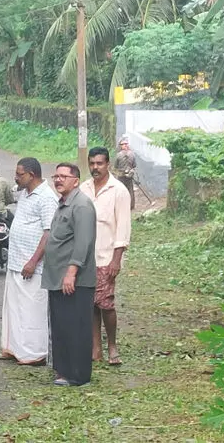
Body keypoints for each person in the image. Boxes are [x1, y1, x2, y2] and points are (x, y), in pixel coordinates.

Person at [0, 157, 58, 366]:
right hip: (16, 261)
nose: (16, 177)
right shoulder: (24, 194)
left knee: (32, 310)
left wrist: (33, 261)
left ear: (31, 175)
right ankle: (14, 348)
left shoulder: (47, 197)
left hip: (33, 265)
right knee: (15, 308)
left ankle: (35, 352)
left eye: (19, 174)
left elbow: (49, 232)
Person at [42, 163, 97, 386]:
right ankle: (63, 370)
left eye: (64, 176)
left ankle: (78, 374)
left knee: (77, 327)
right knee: (62, 325)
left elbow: (83, 242)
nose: (58, 180)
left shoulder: (82, 205)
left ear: (76, 180)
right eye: (56, 176)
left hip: (75, 280)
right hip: (58, 278)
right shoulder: (63, 204)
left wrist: (71, 272)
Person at [80, 147, 132, 366]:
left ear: (108, 164)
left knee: (106, 303)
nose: (95, 168)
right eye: (92, 163)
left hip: (106, 256)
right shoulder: (83, 188)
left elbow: (123, 227)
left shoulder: (118, 190)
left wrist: (116, 260)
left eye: (99, 163)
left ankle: (112, 345)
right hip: (85, 257)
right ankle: (96, 348)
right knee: (91, 303)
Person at [113, 136, 137, 210]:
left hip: (121, 175)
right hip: (130, 175)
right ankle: (131, 205)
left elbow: (115, 166)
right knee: (130, 190)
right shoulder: (132, 154)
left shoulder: (118, 155)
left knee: (120, 190)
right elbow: (134, 165)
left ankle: (121, 205)